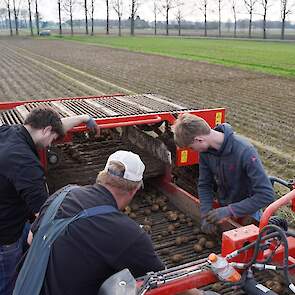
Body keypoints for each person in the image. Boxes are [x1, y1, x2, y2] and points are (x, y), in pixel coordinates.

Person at [15, 150, 165, 295]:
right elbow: (163, 280)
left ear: (102, 176)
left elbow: (31, 239)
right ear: (135, 189)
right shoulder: (128, 234)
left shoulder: (64, 193)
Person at [0, 107, 99, 295]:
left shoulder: (9, 131)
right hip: (5, 236)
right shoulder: (25, 164)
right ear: (45, 130)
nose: (51, 144)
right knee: (8, 284)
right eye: (53, 139)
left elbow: (56, 127)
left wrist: (84, 117)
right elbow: (45, 216)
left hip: (12, 214)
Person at [172, 113, 274, 234]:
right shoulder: (206, 153)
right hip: (224, 208)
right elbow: (205, 184)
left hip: (248, 212)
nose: (193, 151)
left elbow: (266, 195)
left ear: (199, 139)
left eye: (191, 148)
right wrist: (205, 214)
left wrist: (229, 210)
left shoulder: (244, 151)